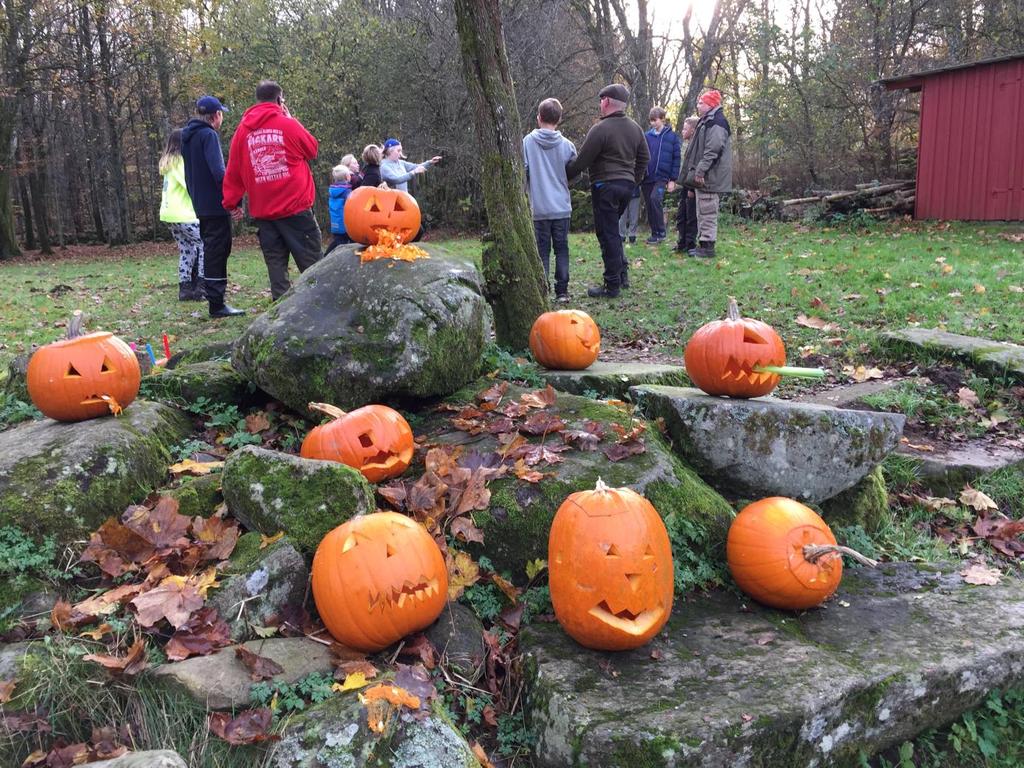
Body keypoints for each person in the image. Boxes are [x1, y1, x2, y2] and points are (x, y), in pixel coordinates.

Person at [222, 80, 322, 301]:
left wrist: (232, 202)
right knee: (312, 262)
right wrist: (289, 117)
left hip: (264, 211)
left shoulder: (242, 131)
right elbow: (312, 149)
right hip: (295, 207)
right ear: (279, 100)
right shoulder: (288, 124)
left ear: (257, 101)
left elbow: (233, 169)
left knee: (276, 265)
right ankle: (319, 303)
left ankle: (281, 311)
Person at [566, 83, 649, 299]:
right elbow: (644, 158)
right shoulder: (635, 128)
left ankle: (611, 285)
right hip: (626, 188)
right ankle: (622, 276)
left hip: (605, 187)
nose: (600, 105)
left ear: (607, 102)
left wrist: (562, 176)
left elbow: (582, 161)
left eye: (601, 100)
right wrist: (633, 180)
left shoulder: (600, 129)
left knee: (608, 234)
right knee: (613, 232)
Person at [182, 95, 244, 318]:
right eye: (222, 114)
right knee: (218, 250)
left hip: (200, 202)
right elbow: (219, 172)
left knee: (211, 250)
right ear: (216, 115)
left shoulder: (186, 137)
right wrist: (234, 201)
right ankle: (217, 304)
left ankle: (215, 300)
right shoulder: (208, 135)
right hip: (215, 204)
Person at [523, 97, 577, 303]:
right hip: (562, 206)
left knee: (542, 250)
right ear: (559, 119)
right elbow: (574, 173)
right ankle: (562, 291)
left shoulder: (527, 142)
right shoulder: (567, 145)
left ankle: (542, 289)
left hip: (539, 207)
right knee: (562, 248)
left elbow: (524, 171)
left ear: (539, 118)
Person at [681, 90, 732, 258]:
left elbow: (713, 150)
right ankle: (703, 244)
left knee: (708, 211)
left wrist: (701, 170)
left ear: (711, 104)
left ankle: (708, 247)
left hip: (710, 176)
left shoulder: (717, 122)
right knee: (702, 211)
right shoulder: (707, 120)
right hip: (706, 175)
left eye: (701, 103)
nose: (698, 105)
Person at [159, 128, 204, 301]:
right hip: (185, 214)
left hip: (169, 214)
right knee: (204, 245)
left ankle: (184, 288)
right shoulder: (180, 161)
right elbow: (189, 184)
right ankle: (202, 286)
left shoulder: (167, 162)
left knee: (187, 249)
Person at [642, 107, 681, 244]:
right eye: (651, 121)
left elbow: (676, 159)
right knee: (649, 204)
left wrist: (672, 179)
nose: (653, 123)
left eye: (655, 120)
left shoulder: (672, 137)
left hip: (661, 177)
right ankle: (654, 234)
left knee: (655, 199)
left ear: (662, 119)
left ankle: (661, 232)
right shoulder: (646, 136)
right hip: (647, 177)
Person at [673, 116, 699, 253]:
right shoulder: (686, 145)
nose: (682, 131)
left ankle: (690, 244)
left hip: (691, 187)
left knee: (691, 216)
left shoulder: (696, 147)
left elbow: (693, 168)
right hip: (684, 186)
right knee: (681, 214)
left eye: (685, 129)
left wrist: (691, 188)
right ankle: (681, 242)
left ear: (693, 130)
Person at [327, 164, 353, 251]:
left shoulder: (332, 190)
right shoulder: (347, 192)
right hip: (346, 225)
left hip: (335, 223)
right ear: (347, 177)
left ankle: (326, 256)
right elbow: (351, 207)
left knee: (337, 243)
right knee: (351, 244)